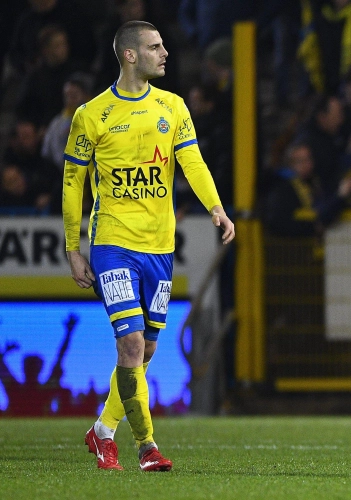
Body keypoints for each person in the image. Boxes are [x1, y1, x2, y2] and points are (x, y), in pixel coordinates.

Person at [62, 20, 235, 472]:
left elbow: (192, 161)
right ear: (130, 55)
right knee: (133, 345)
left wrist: (216, 207)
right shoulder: (91, 115)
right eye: (155, 47)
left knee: (147, 352)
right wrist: (73, 247)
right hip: (113, 244)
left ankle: (102, 431)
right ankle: (146, 447)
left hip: (159, 247)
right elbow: (72, 181)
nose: (165, 54)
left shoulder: (173, 107)